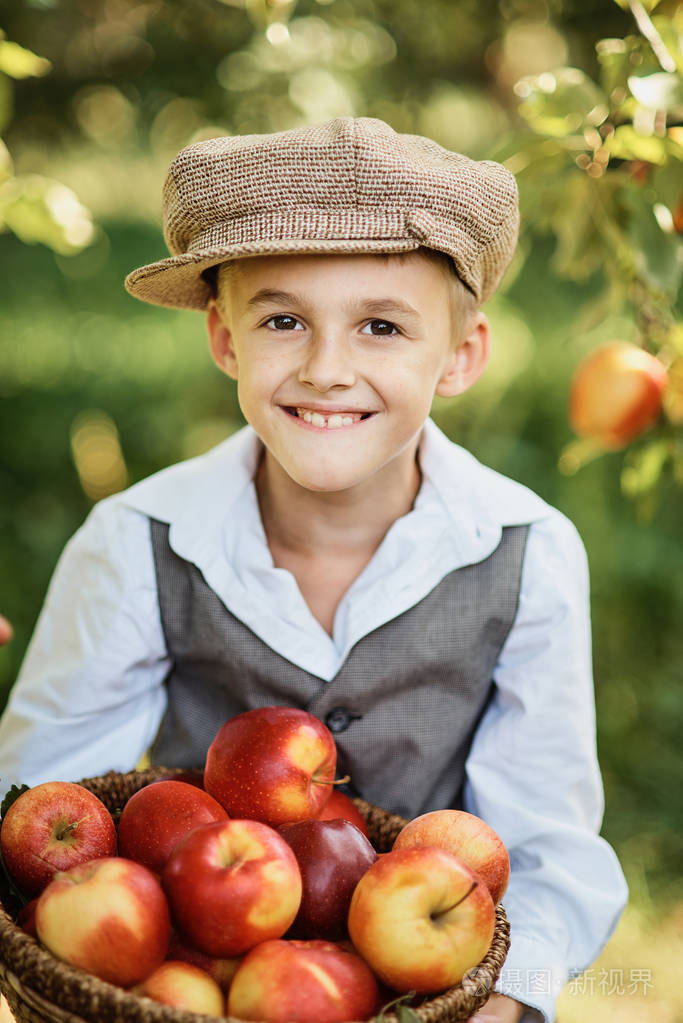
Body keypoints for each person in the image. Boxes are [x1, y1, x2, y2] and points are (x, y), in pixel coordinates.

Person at [0, 117, 627, 1022]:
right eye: (283, 320)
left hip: (426, 975)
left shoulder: (525, 551)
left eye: (380, 325)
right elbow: (43, 817)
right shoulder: (136, 540)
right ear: (224, 341)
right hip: (199, 976)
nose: (327, 369)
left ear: (459, 356)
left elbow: (544, 835)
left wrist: (508, 997)